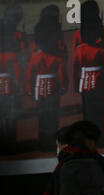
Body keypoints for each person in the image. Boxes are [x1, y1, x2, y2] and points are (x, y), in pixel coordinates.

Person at [27, 15, 68, 151]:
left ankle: (42, 141)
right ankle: (52, 142)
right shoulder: (57, 57)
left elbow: (29, 75)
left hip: (39, 88)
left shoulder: (35, 56)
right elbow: (61, 75)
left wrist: (30, 89)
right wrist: (63, 87)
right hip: (53, 87)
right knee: (53, 116)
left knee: (42, 115)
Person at [73, 16, 104, 137]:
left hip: (84, 82)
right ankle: (100, 133)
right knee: (99, 110)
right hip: (99, 82)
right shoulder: (101, 49)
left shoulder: (79, 50)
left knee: (87, 111)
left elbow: (75, 70)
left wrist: (76, 85)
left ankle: (88, 135)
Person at [0, 20, 24, 150]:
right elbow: (18, 73)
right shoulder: (12, 55)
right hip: (10, 87)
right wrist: (21, 87)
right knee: (11, 116)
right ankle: (11, 143)